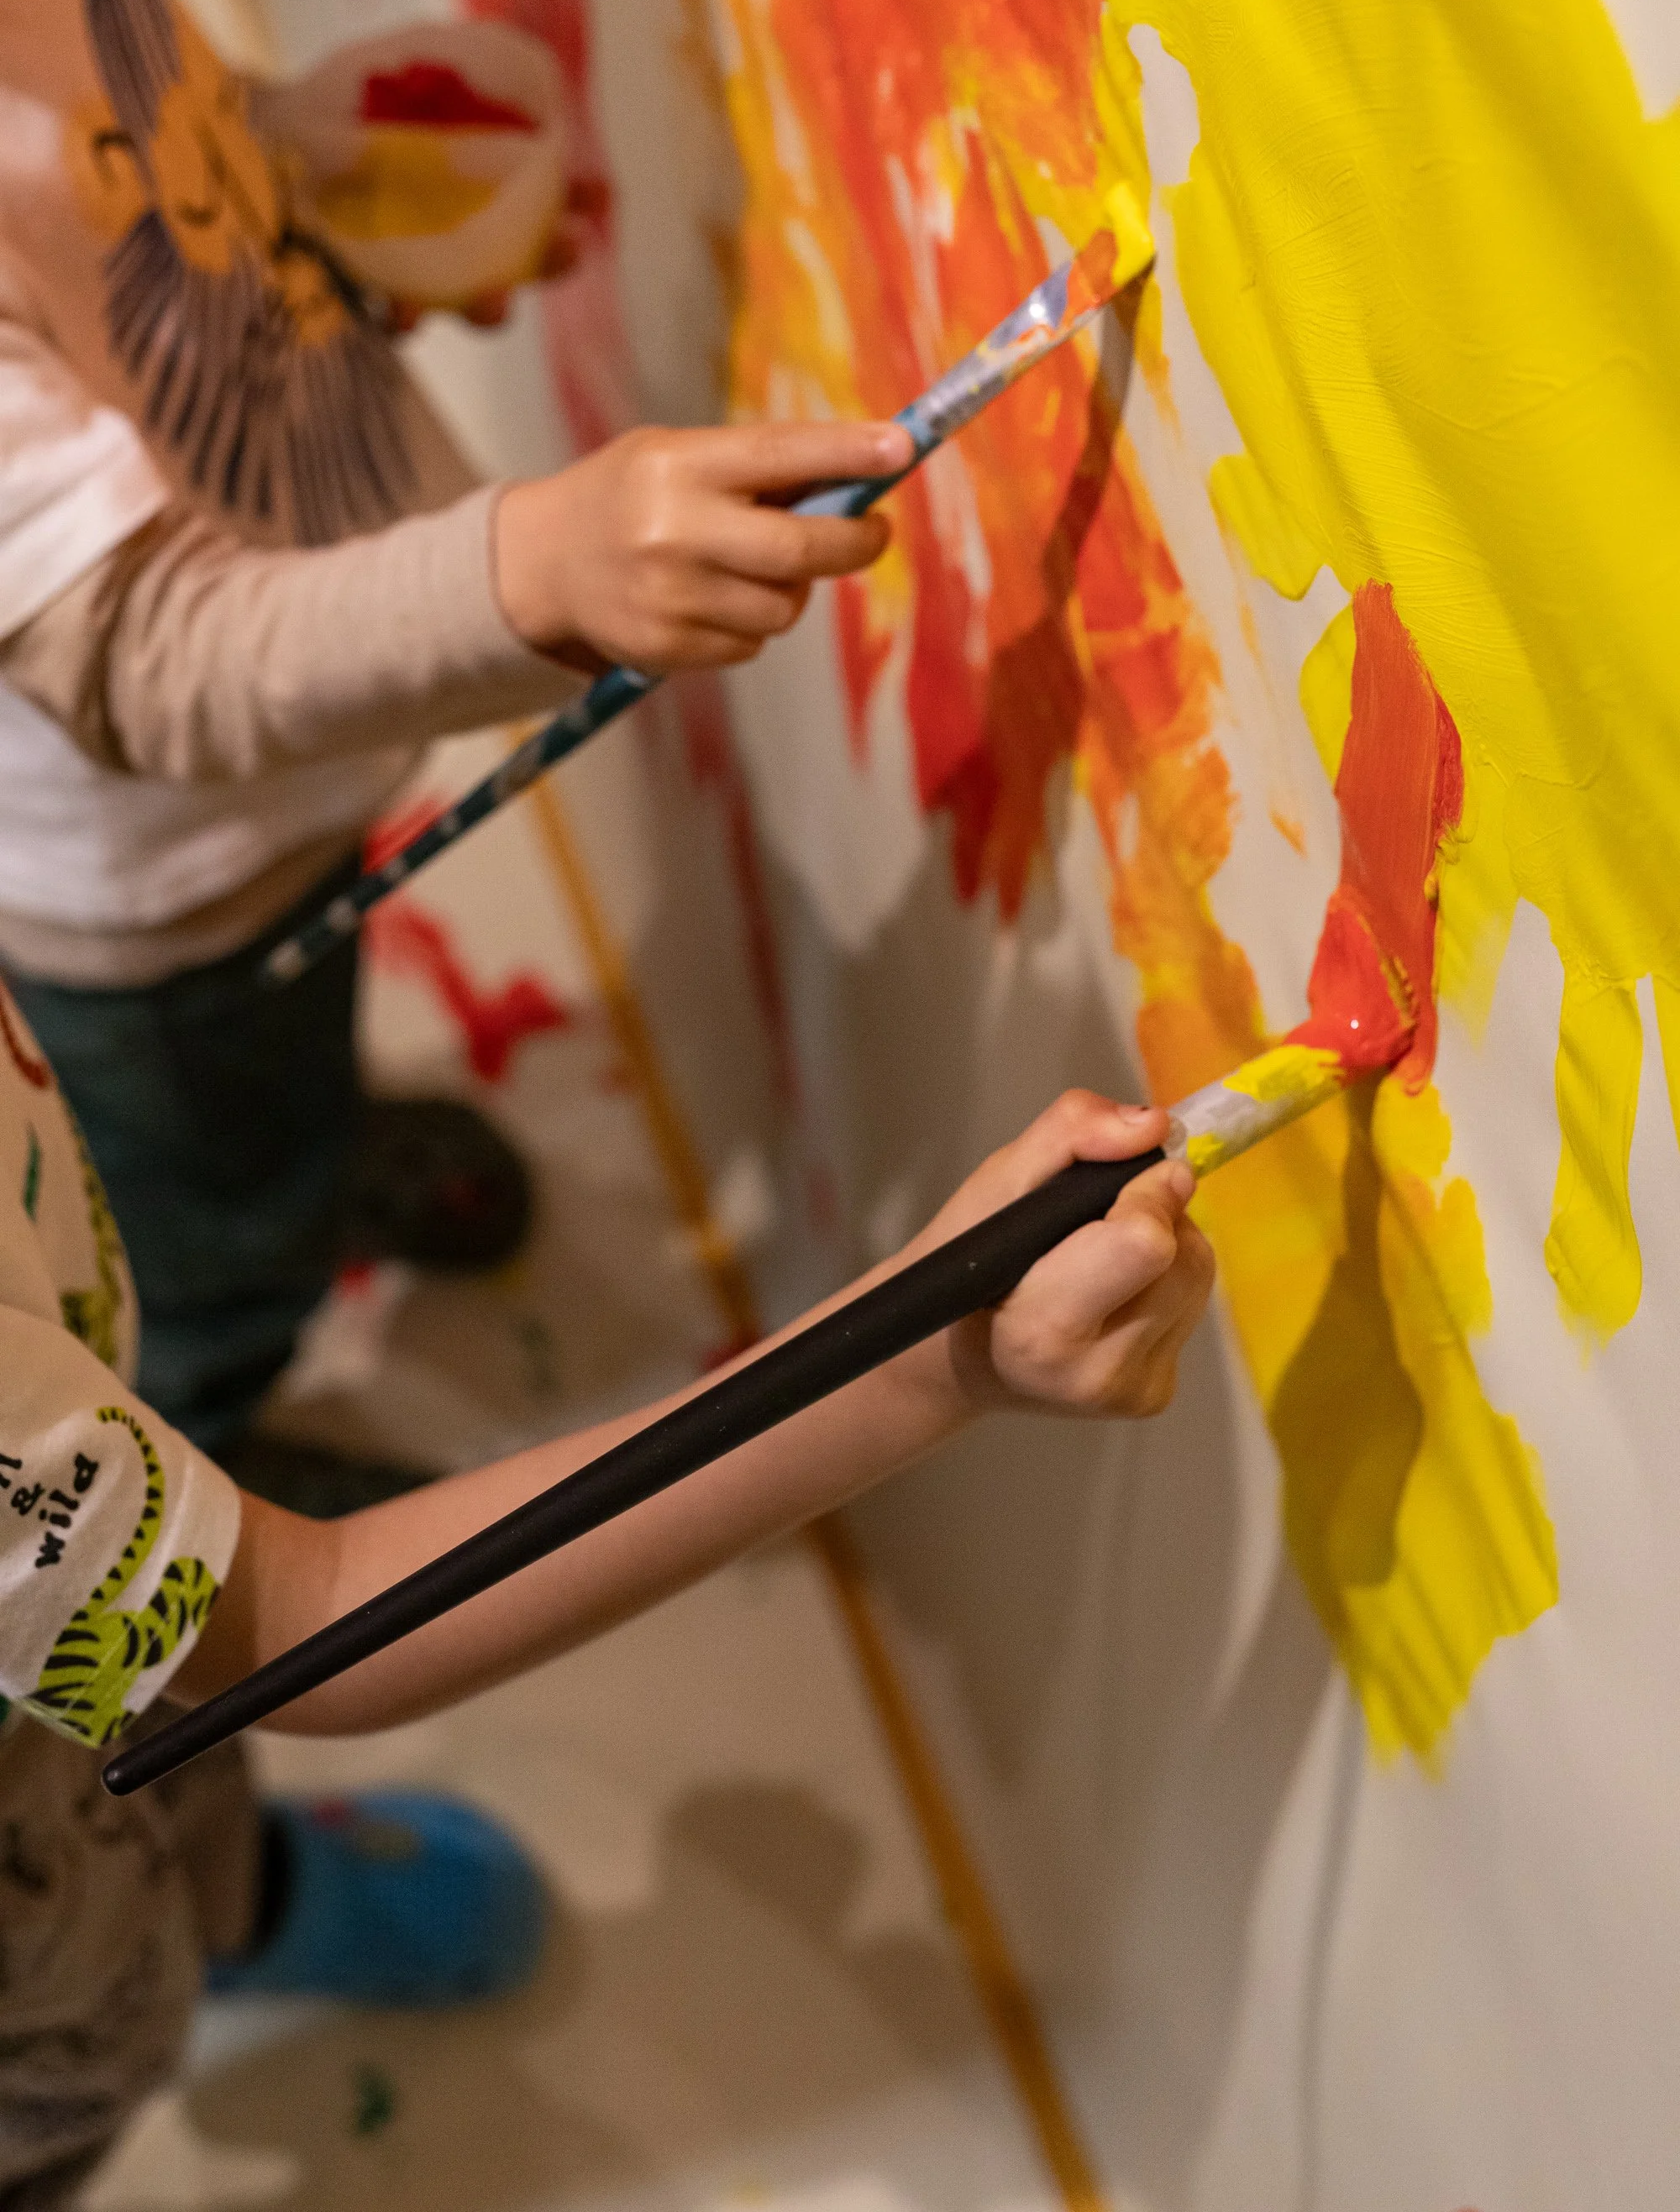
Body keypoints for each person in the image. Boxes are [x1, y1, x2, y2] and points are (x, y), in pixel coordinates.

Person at [0, 0, 908, 1465]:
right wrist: (535, 575)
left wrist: (293, 163)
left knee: (285, 1055)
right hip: (156, 888)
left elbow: (88, 146)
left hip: (279, 778)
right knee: (192, 1233)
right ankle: (208, 1450)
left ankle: (301, 1157)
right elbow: (147, 652)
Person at [0, 935, 1213, 2196]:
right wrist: (932, 1358)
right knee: (84, 2032)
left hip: (66, 1638)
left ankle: (235, 1903)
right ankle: (143, 1986)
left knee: (160, 1747)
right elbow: (312, 1616)